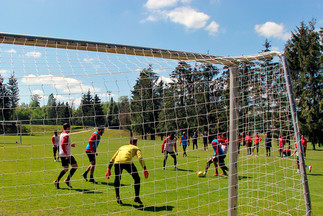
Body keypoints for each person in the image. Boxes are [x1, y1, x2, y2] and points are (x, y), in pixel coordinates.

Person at [106, 138, 149, 205]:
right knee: (137, 178)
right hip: (127, 162)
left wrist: (109, 169)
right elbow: (140, 158)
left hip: (117, 162)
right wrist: (144, 168)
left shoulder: (122, 147)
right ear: (136, 143)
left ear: (129, 142)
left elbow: (113, 158)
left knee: (117, 178)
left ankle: (118, 196)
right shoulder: (136, 148)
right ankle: (137, 197)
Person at [53, 123, 78, 189]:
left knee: (66, 169)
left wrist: (70, 144)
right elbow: (62, 144)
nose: (70, 129)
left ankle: (57, 181)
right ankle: (67, 180)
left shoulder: (61, 134)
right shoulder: (66, 135)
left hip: (62, 154)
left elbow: (64, 143)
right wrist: (67, 154)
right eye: (70, 128)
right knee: (75, 166)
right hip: (66, 154)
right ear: (67, 128)